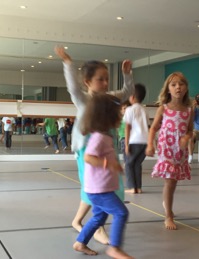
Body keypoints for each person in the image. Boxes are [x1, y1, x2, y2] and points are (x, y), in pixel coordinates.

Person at [55, 46, 134, 244]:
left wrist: (127, 74)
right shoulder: (83, 99)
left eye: (107, 78)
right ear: (88, 82)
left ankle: (80, 221)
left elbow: (127, 93)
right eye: (100, 79)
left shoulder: (108, 98)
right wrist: (68, 63)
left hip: (105, 148)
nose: (106, 82)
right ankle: (96, 226)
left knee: (109, 186)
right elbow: (72, 88)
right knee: (95, 188)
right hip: (86, 150)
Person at [73, 93, 132, 259]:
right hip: (99, 189)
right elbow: (88, 157)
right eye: (118, 113)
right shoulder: (98, 137)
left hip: (101, 187)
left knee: (99, 217)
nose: (121, 116)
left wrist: (114, 166)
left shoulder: (106, 135)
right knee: (121, 213)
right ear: (107, 116)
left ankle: (80, 243)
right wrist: (110, 164)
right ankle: (115, 248)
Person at [146, 72, 193, 230]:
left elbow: (190, 130)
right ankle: (168, 215)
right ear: (168, 89)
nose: (178, 87)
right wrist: (150, 145)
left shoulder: (189, 110)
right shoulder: (164, 108)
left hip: (180, 150)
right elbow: (153, 128)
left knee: (173, 182)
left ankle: (167, 203)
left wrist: (187, 138)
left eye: (181, 84)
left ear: (186, 88)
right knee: (170, 180)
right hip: (166, 148)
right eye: (173, 85)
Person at [124, 83, 149, 194]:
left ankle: (131, 187)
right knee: (137, 164)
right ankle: (138, 187)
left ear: (132, 96)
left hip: (134, 141)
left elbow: (127, 127)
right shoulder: (144, 110)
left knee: (128, 164)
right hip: (144, 141)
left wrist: (126, 144)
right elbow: (147, 126)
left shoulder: (130, 110)